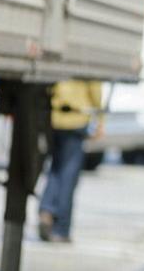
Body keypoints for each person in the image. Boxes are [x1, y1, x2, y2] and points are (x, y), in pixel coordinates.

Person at [37, 80, 103, 243]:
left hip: (55, 117)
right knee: (69, 175)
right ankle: (61, 229)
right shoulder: (85, 59)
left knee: (55, 168)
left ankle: (46, 210)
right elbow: (95, 89)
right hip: (76, 118)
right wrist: (100, 120)